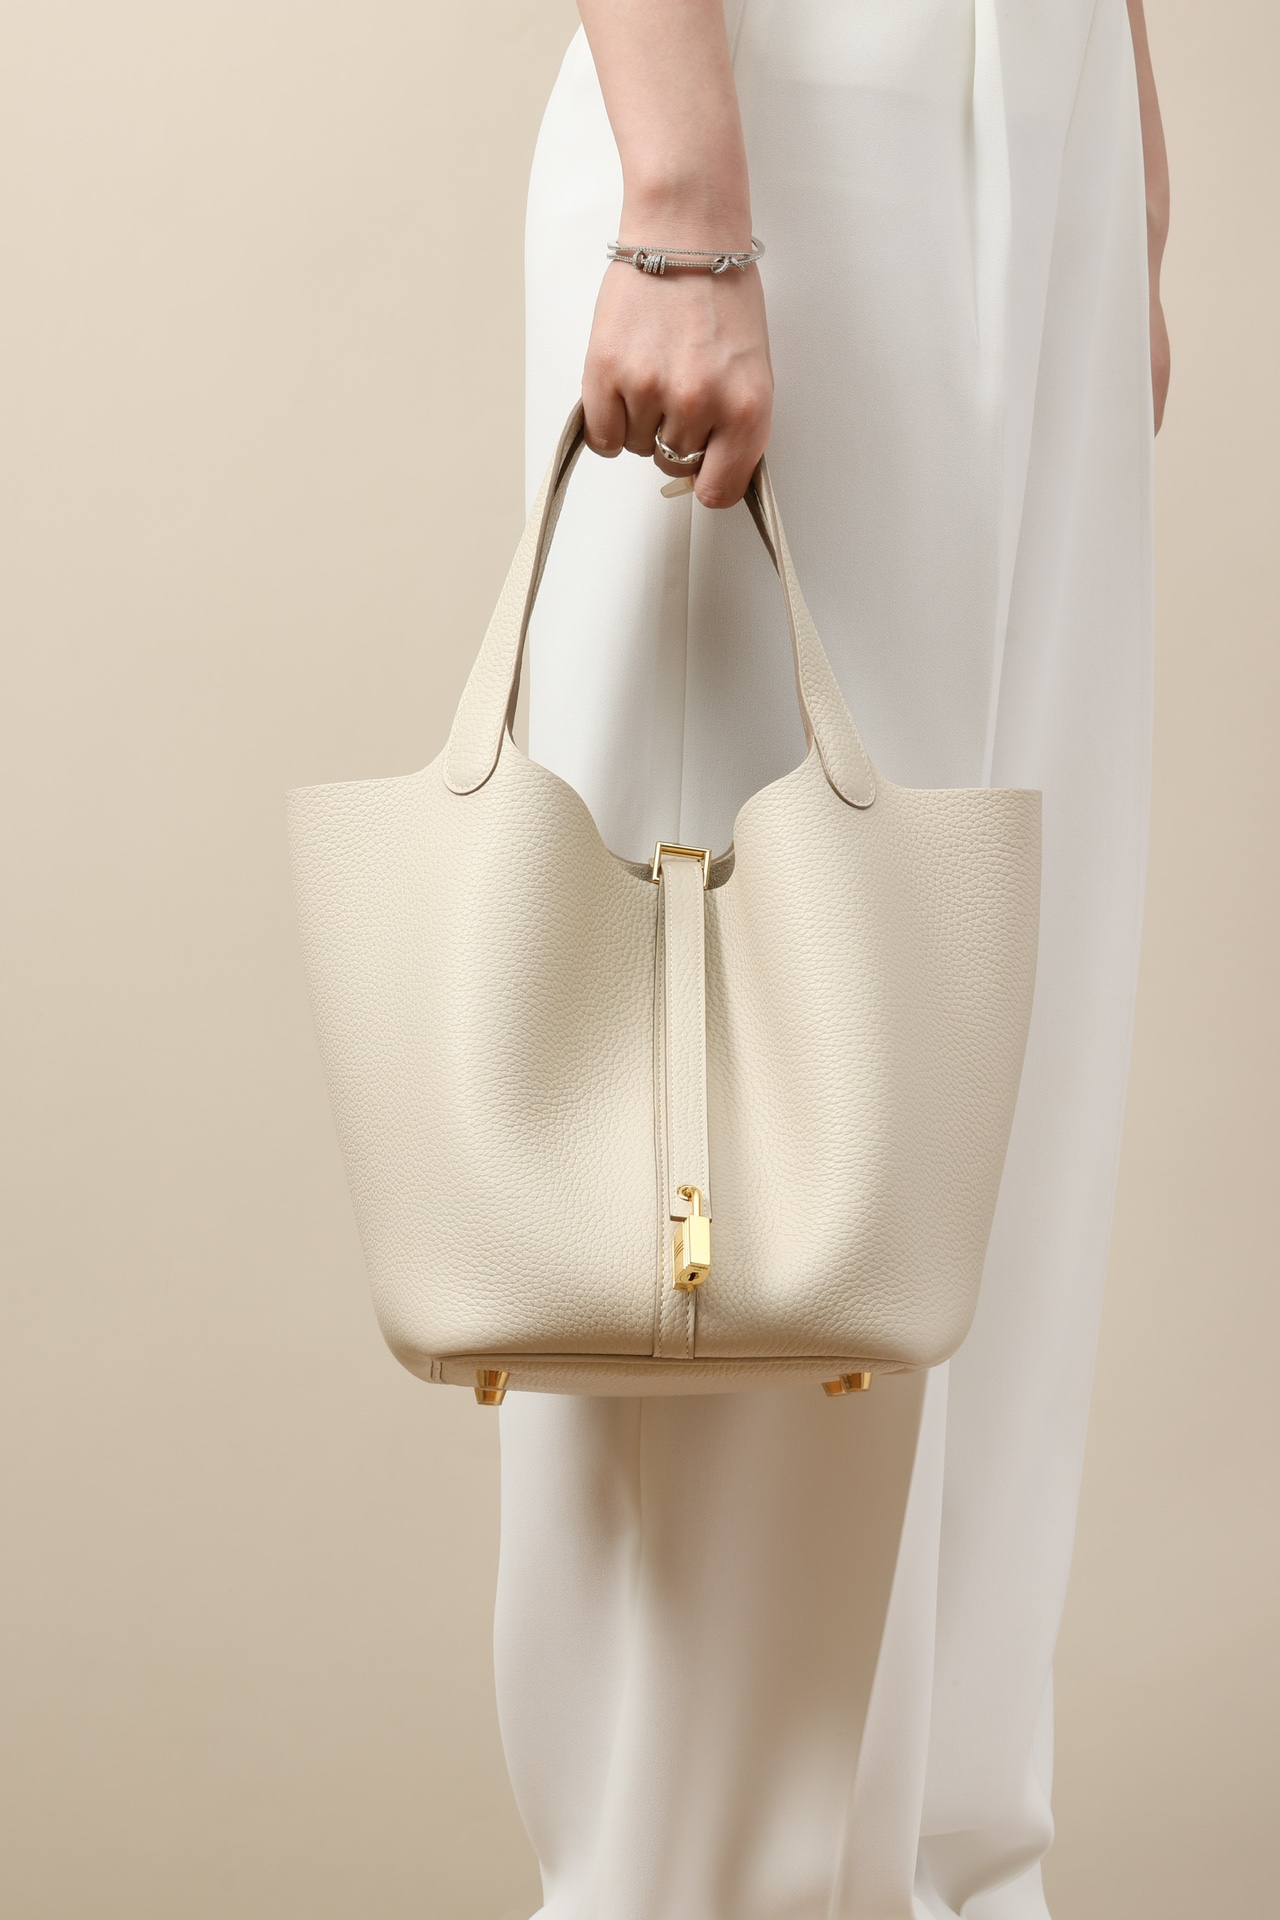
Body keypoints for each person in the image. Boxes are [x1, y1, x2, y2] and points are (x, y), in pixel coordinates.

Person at [494, 2, 1168, 1914]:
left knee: (987, 1087)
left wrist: (1118, 125)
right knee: (763, 1147)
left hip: (1039, 114)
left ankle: (946, 1879)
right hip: (781, 117)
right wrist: (682, 197)